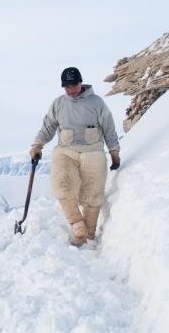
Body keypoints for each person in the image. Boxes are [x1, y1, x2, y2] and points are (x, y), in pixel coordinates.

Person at [29, 67, 120, 246]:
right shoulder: (58, 104)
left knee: (93, 194)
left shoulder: (97, 103)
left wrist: (114, 152)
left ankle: (89, 234)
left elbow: (109, 128)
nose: (71, 90)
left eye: (74, 85)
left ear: (81, 82)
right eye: (67, 87)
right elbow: (48, 127)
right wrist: (37, 145)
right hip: (66, 151)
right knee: (61, 185)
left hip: (93, 151)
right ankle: (77, 224)